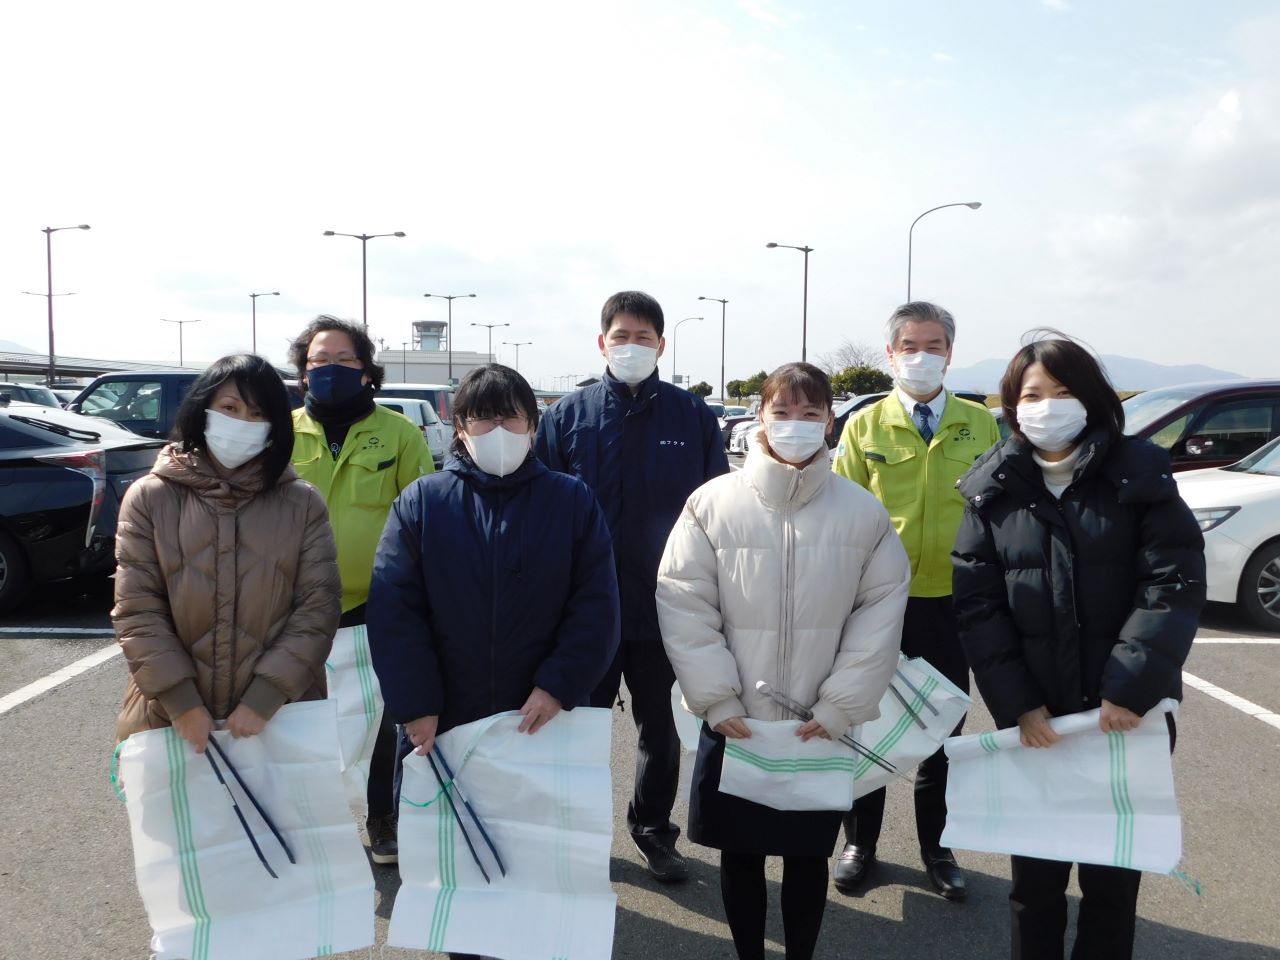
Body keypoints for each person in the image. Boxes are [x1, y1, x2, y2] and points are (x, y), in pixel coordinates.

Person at [951, 334, 1205, 960]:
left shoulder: (1139, 473)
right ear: (1011, 407)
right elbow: (979, 607)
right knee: (1034, 887)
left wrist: (1130, 688)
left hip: (1126, 719)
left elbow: (1172, 584)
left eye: (1063, 393)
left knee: (1112, 884)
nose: (1047, 406)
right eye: (1032, 394)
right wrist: (1019, 705)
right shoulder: (992, 489)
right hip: (1038, 723)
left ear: (1091, 399)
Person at [657, 362, 910, 960]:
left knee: (806, 857)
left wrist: (842, 703)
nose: (795, 424)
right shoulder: (711, 503)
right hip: (735, 717)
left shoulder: (862, 512)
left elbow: (879, 613)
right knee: (739, 854)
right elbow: (683, 601)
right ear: (760, 419)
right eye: (782, 411)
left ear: (829, 422)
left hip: (815, 723)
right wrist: (715, 698)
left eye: (810, 413)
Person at [367, 365, 621, 960]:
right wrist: (417, 706)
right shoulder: (423, 501)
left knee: (536, 863)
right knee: (460, 870)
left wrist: (559, 685)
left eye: (512, 415)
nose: (498, 428)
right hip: (447, 722)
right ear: (460, 428)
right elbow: (395, 609)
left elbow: (597, 604)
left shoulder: (571, 499)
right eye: (483, 416)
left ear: (533, 424)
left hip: (538, 720)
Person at [535, 291, 729, 882]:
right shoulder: (567, 415)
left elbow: (718, 506)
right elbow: (539, 507)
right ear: (602, 343)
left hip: (663, 604)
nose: (631, 346)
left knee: (660, 728)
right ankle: (579, 833)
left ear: (662, 346)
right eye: (621, 336)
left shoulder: (691, 416)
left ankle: (652, 831)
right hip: (585, 610)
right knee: (578, 730)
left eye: (644, 338)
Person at [829, 300, 999, 900]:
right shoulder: (864, 426)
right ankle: (860, 844)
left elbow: (997, 514)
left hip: (953, 601)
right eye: (910, 347)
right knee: (866, 724)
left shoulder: (981, 425)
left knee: (943, 730)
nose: (922, 357)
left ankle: (938, 848)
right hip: (880, 605)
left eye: (934, 347)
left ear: (951, 352)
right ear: (890, 354)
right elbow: (840, 517)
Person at [114, 354, 340, 747]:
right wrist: (181, 703)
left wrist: (266, 696)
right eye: (229, 408)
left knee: (274, 812)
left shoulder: (302, 503)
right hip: (167, 720)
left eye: (257, 413)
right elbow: (137, 608)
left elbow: (317, 608)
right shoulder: (150, 497)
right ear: (203, 411)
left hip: (279, 718)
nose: (242, 423)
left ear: (274, 425)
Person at [289, 315, 434, 865]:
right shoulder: (284, 431)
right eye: (318, 361)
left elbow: (419, 517)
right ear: (303, 372)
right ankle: (309, 818)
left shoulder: (397, 433)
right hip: (295, 605)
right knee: (301, 715)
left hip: (376, 605)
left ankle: (382, 816)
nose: (329, 370)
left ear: (367, 371)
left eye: (343, 361)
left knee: (380, 720)